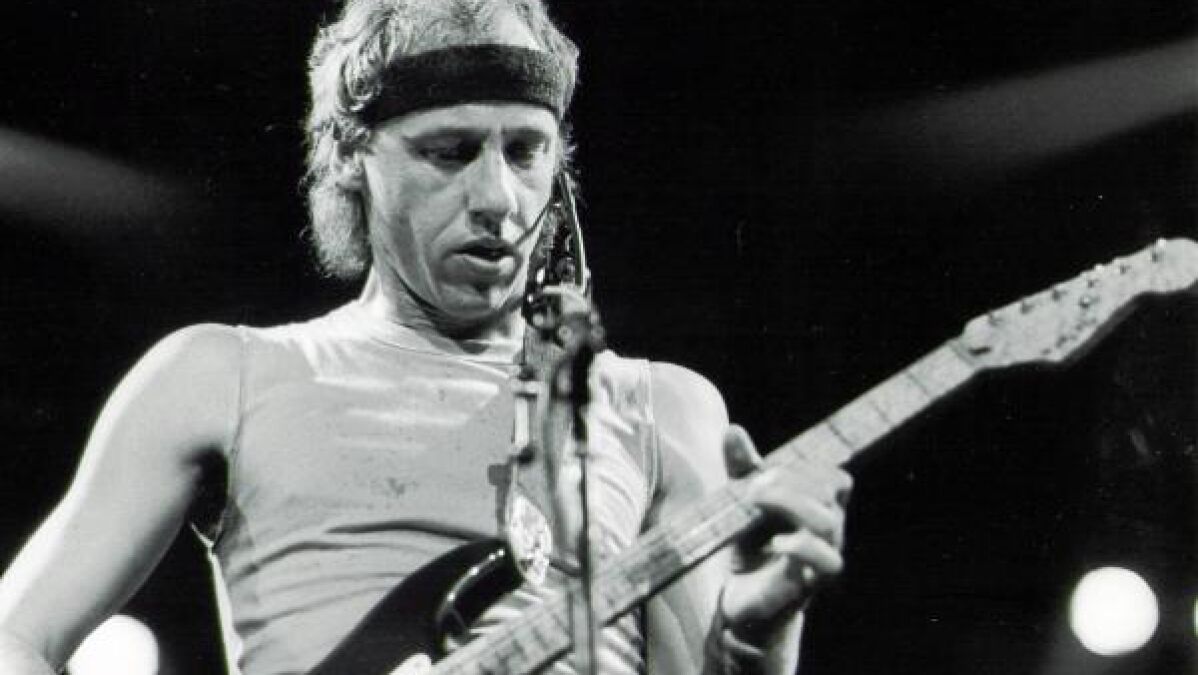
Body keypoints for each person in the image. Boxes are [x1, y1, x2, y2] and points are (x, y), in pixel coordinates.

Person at [0, 1, 852, 673]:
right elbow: (16, 637)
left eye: (526, 150)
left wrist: (759, 634)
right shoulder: (221, 375)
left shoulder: (662, 406)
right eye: (450, 151)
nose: (498, 198)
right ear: (351, 155)